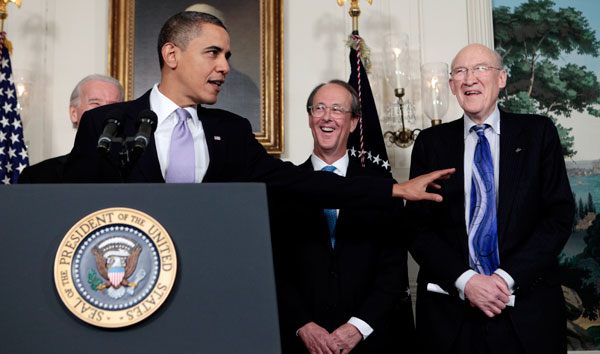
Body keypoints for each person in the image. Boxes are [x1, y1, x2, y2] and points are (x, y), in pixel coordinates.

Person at [62, 11, 453, 207]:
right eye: (213, 53)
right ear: (172, 54)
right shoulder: (106, 123)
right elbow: (70, 210)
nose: (225, 67)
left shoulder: (231, 130)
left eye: (228, 55)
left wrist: (393, 188)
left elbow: (300, 182)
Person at [406, 43, 574, 354]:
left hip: (527, 313)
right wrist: (467, 281)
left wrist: (502, 280)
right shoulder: (431, 143)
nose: (469, 78)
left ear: (501, 78)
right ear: (452, 85)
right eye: (460, 71)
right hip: (451, 319)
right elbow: (417, 228)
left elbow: (558, 218)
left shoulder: (538, 134)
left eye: (480, 68)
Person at [271, 80, 415, 354]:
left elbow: (393, 271)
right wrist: (304, 326)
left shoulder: (385, 188)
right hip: (300, 343)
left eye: (337, 109)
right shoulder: (284, 187)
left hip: (370, 342)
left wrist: (357, 328)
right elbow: (274, 269)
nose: (326, 116)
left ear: (353, 123)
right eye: (319, 108)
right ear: (310, 118)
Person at [18, 74, 123, 183]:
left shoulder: (138, 175)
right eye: (95, 103)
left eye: (113, 106)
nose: (104, 111)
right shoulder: (37, 177)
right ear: (73, 113)